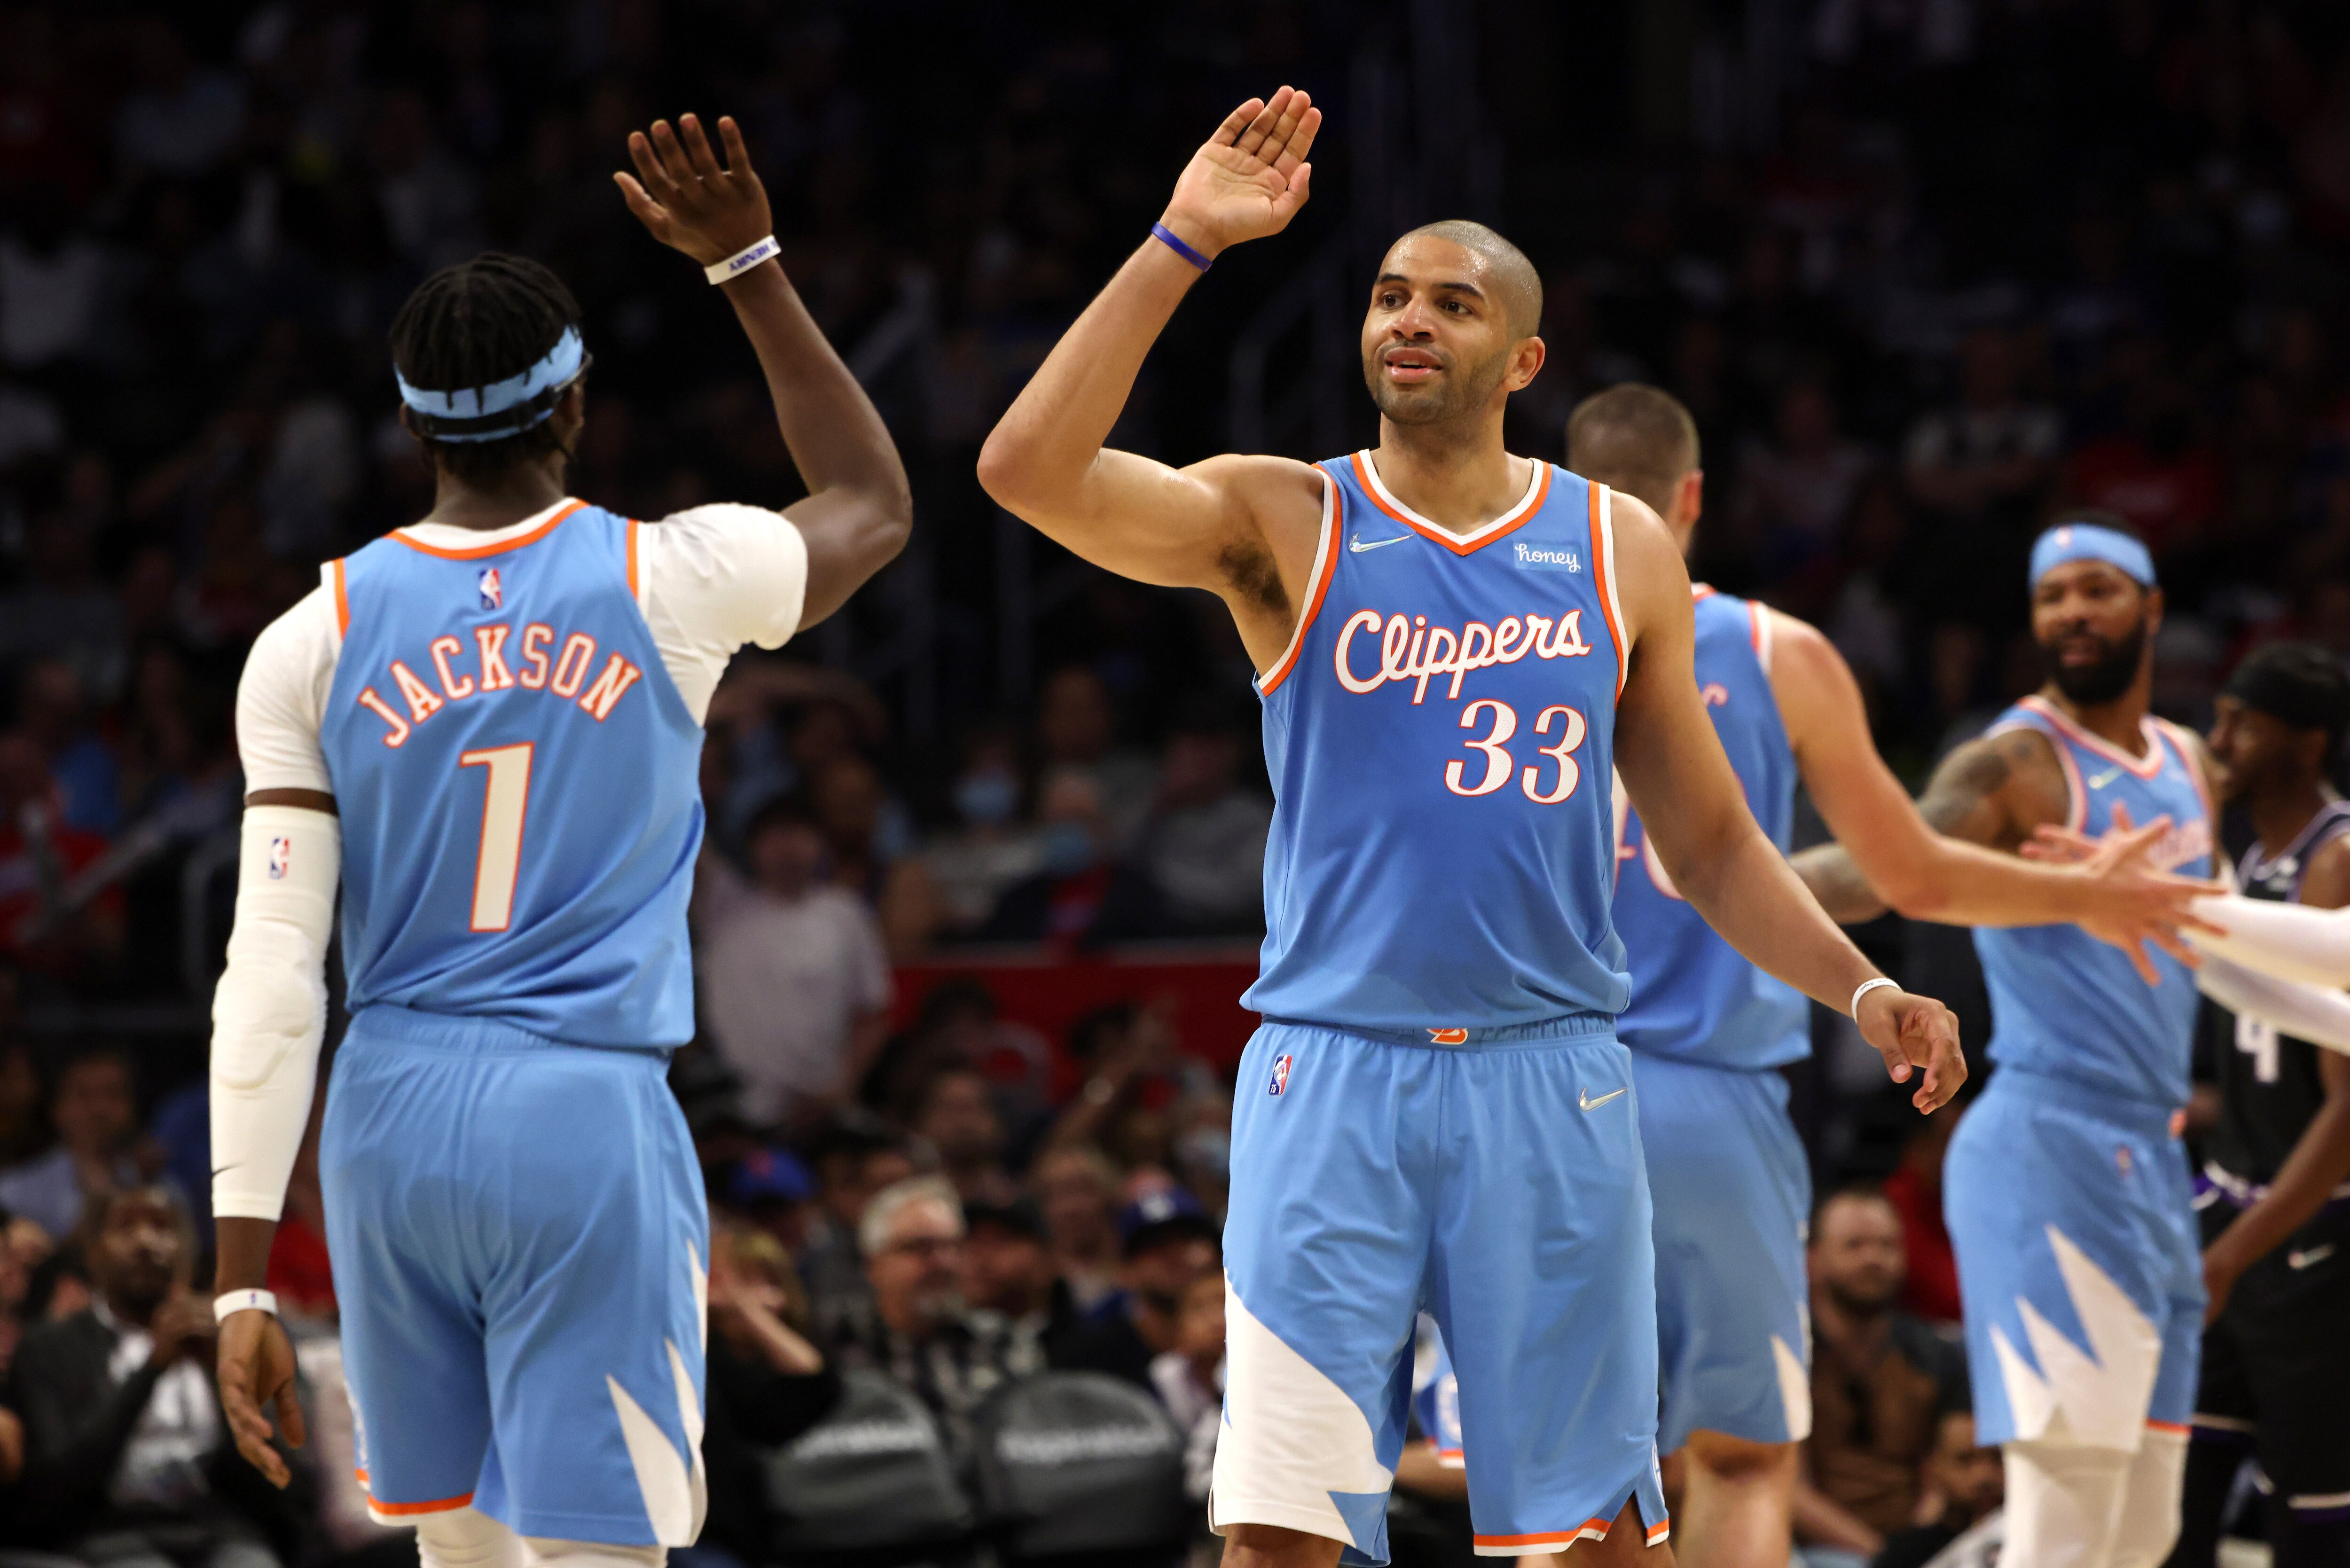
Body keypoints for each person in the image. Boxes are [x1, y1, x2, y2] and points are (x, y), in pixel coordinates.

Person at [979, 86, 1969, 1566]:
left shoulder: (1614, 545)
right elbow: (1023, 472)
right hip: (1333, 1070)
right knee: (1278, 1536)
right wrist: (1184, 241)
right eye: (1389, 295)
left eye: (1452, 302)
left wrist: (1864, 986)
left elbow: (1707, 847)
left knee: (1587, 1538)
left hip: (1550, 1076)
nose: (1410, 319)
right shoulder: (1283, 516)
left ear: (1523, 358)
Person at [204, 112, 909, 1568]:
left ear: (411, 425)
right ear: (577, 400)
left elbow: (269, 976)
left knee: (458, 1554)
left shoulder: (308, 637)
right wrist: (748, 266)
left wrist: (240, 1283)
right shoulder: (670, 575)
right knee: (606, 1554)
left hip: (388, 1122)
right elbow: (873, 504)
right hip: (578, 1111)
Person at [1566, 384, 2207, 1568]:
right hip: (1716, 1089)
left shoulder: (1489, 637)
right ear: (1694, 496)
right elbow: (1898, 868)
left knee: (1569, 1477)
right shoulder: (1777, 650)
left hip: (1531, 1082)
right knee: (1739, 1458)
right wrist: (2082, 894)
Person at [1793, 516, 2334, 1568]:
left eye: (2097, 589)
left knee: (2146, 1527)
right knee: (2065, 1519)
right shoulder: (2015, 763)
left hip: (2153, 1163)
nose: (2073, 613)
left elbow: (2218, 949)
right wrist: (1726, 878)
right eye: (2052, 597)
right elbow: (1885, 868)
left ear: (2153, 608)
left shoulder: (2188, 763)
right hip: (2045, 1146)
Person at [2171, 643, 2350, 1568]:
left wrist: (2233, 1254)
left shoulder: (2338, 859)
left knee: (2308, 1525)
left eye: (2244, 724)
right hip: (2230, 1211)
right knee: (2175, 1504)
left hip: (2311, 1239)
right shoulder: (2245, 856)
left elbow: (2346, 1114)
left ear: (2308, 743)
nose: (2220, 741)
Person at [9, 1184, 298, 1567]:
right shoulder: (50, 1349)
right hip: (110, 1533)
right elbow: (54, 1486)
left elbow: (290, 1485)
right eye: (125, 1228)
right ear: (93, 1252)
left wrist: (223, 1378)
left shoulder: (234, 1341)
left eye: (162, 1227)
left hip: (220, 1530)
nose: (145, 1242)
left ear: (189, 1250)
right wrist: (152, 1369)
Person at [1791, 1188, 1968, 1568]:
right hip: (1816, 1551)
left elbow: (1948, 1473)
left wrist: (1915, 1547)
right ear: (1812, 1260)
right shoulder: (1788, 1359)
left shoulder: (1936, 1355)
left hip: (1921, 1544)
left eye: (1887, 1246)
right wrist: (1882, 1556)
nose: (1873, 1259)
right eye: (1854, 1246)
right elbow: (1790, 1491)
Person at [693, 798, 892, 1126]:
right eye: (774, 837)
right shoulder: (724, 907)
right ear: (752, 848)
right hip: (737, 1104)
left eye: (798, 834)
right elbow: (688, 844)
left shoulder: (845, 914)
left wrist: (842, 1087)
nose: (787, 849)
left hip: (823, 1102)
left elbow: (873, 1013)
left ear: (821, 844)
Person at [836, 1176, 1042, 1463]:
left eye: (952, 1247)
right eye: (922, 1247)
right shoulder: (841, 1343)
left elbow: (1035, 1450)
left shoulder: (1002, 1341)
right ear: (873, 1264)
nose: (943, 1263)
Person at [1050, 1187, 1222, 1393]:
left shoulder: (1250, 1328)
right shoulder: (1092, 1356)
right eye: (1155, 1246)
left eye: (1189, 1239)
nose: (1175, 1256)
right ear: (1127, 1271)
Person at [0, 1047, 152, 1243]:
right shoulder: (12, 1195)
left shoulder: (160, 1189)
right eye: (84, 1095)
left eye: (113, 1094)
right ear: (56, 1107)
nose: (99, 1109)